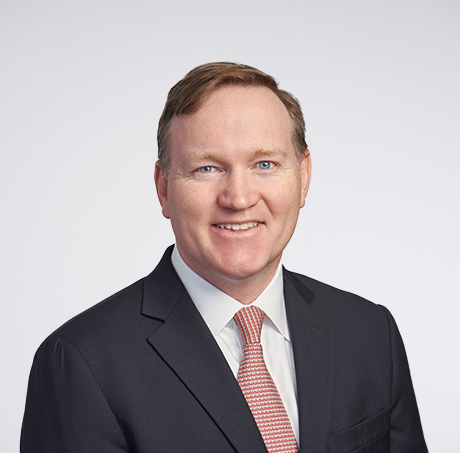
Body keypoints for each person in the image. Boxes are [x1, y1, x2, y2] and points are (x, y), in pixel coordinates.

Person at [21, 62, 428, 452]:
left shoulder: (370, 334)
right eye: (207, 169)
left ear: (303, 177)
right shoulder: (82, 363)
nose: (238, 198)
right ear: (164, 188)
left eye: (264, 164)